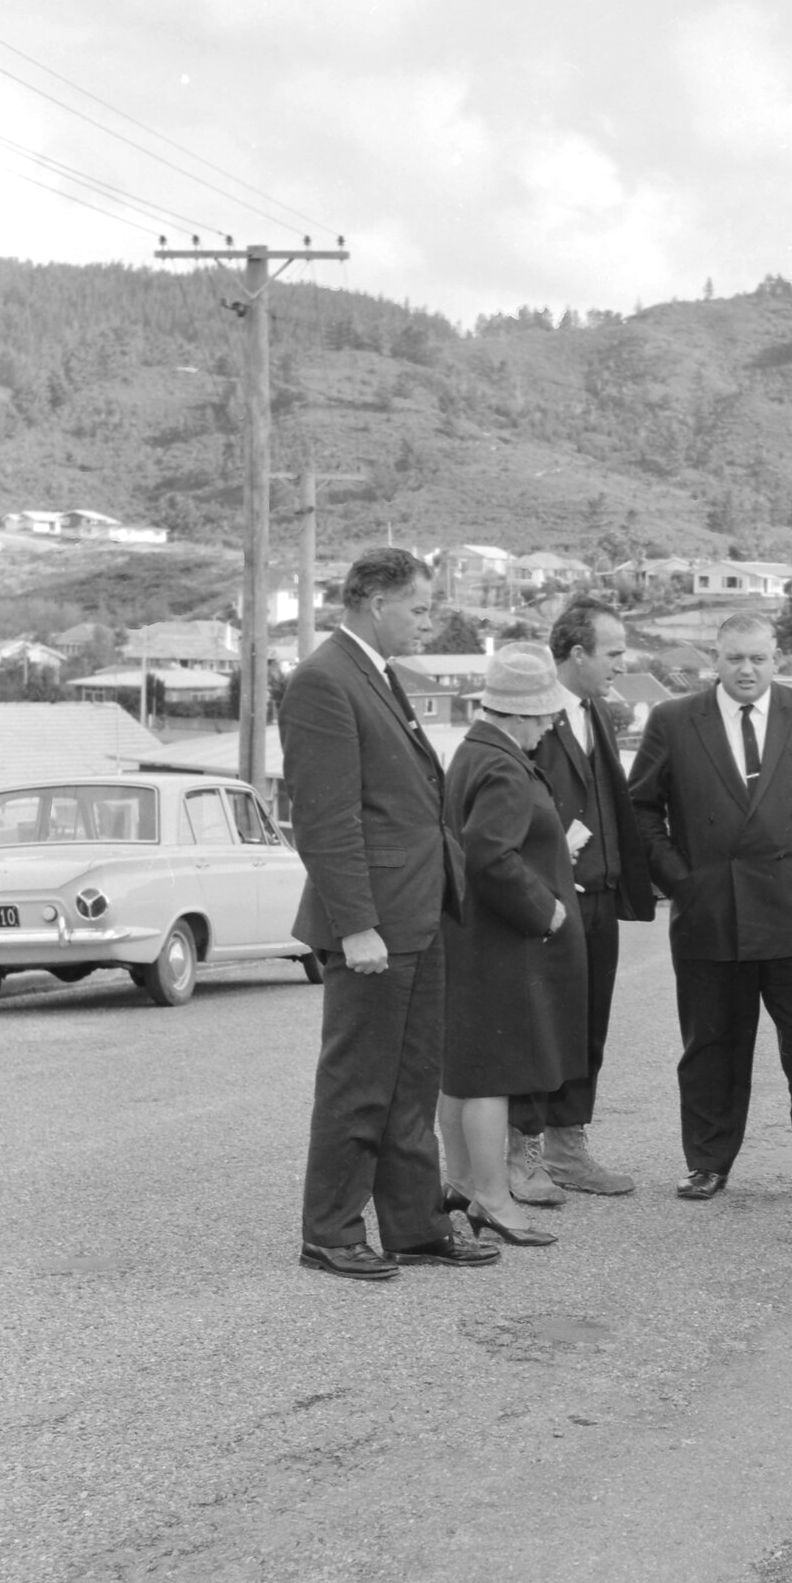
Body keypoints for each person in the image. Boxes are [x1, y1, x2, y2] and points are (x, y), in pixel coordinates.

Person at [280, 546, 494, 1280]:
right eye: (419, 607)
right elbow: (326, 820)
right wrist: (355, 924)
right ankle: (330, 1231)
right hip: (375, 921)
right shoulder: (323, 682)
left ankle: (414, 1225)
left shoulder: (376, 675)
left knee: (410, 1080)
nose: (427, 622)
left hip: (417, 911)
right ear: (374, 601)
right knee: (358, 1082)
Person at [629, 610, 792, 1207]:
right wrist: (683, 881)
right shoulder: (674, 720)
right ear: (715, 659)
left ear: (777, 659)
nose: (746, 669)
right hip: (711, 915)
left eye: (758, 658)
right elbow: (641, 811)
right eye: (735, 657)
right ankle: (707, 1162)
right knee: (711, 1048)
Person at [504, 595, 654, 1203]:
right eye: (613, 653)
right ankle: (521, 1156)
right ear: (576, 653)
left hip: (598, 897)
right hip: (548, 901)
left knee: (587, 1026)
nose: (621, 663)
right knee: (539, 1027)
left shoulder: (596, 711)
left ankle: (569, 1149)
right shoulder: (530, 717)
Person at [438, 643, 584, 1240]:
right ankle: (493, 1199)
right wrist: (544, 910)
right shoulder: (502, 765)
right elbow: (488, 854)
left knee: (461, 1072)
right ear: (518, 714)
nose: (550, 725)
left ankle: (463, 1183)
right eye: (545, 715)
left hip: (469, 937)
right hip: (498, 943)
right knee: (493, 1076)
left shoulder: (473, 751)